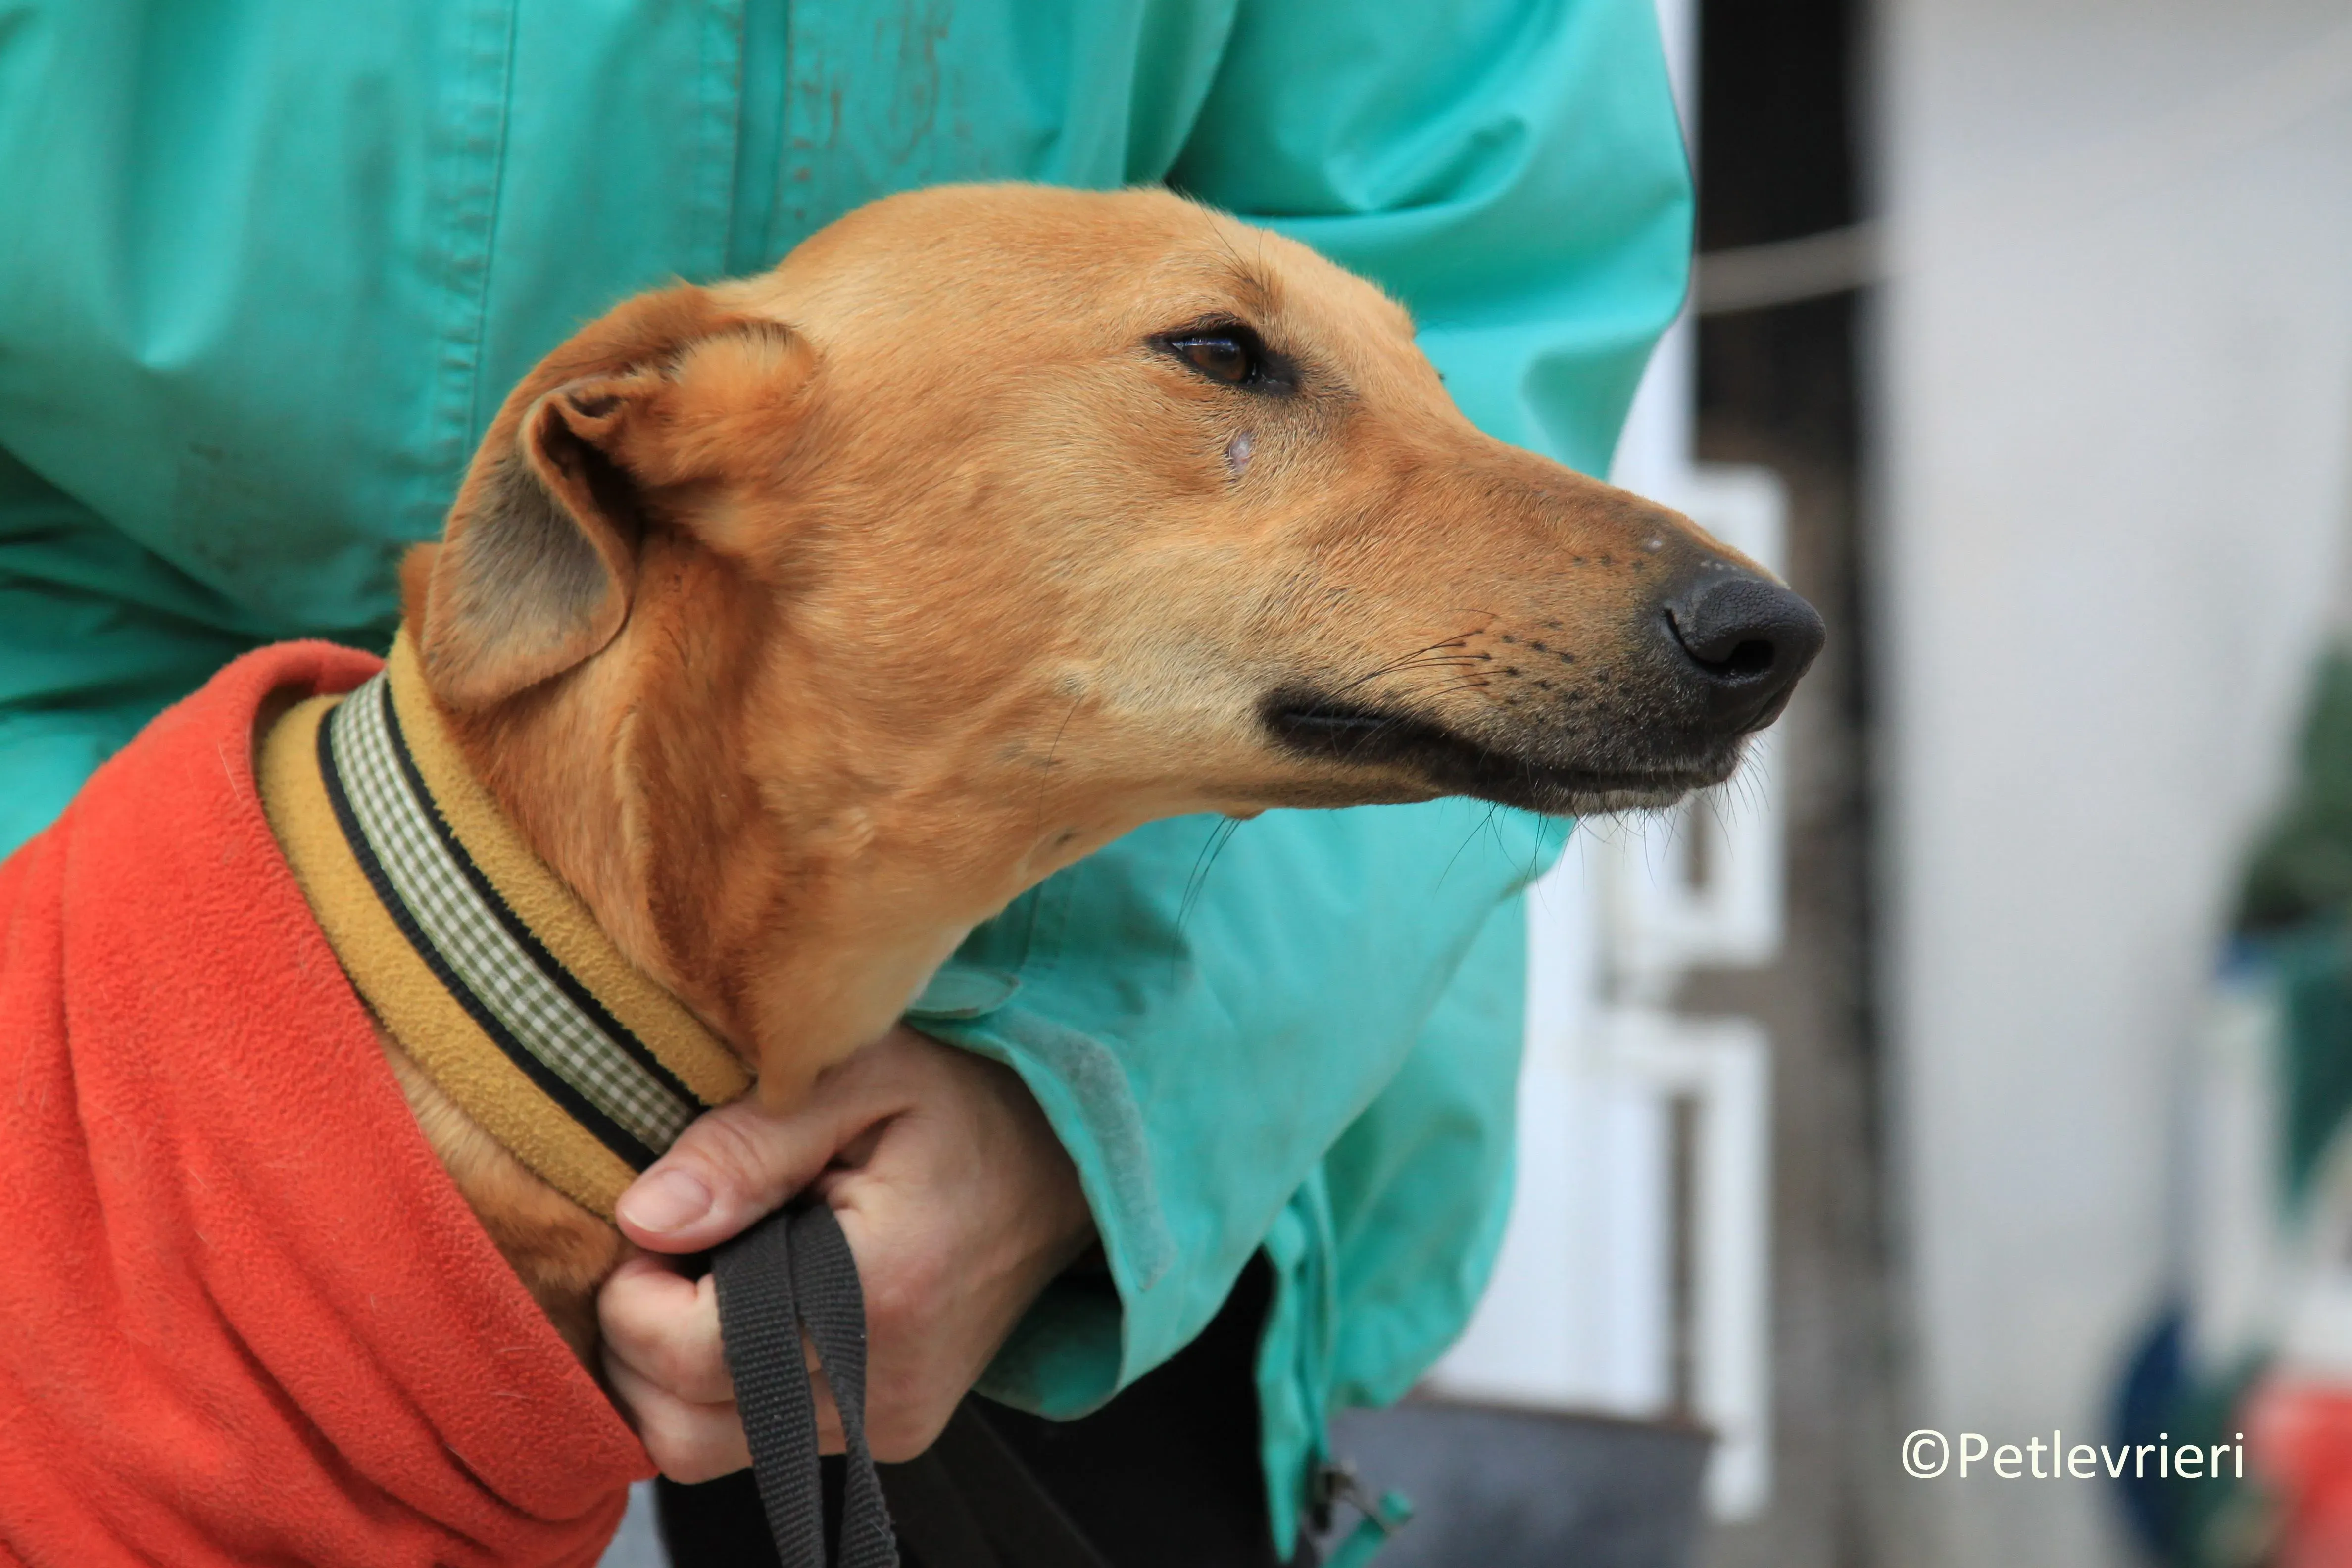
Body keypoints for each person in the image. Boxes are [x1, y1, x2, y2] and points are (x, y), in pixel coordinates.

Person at [0, 2, 1690, 1561]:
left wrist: (1085, 1114)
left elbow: (1483, 244)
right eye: (1229, 365)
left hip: (1084, 1207)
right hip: (160, 1036)